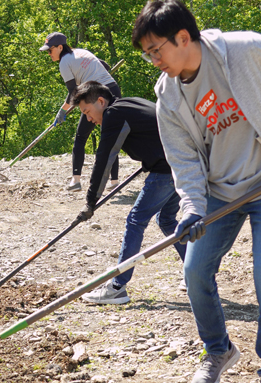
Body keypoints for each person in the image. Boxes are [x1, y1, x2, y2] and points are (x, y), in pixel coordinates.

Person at [132, 0, 261, 383]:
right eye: (147, 54)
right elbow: (184, 160)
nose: (154, 61)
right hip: (221, 193)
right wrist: (192, 207)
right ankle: (219, 350)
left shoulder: (242, 49)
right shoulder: (168, 98)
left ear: (183, 37)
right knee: (194, 272)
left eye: (156, 51)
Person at [68, 81, 187, 305]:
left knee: (135, 220)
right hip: (183, 163)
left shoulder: (114, 114)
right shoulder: (128, 104)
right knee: (167, 219)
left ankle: (117, 287)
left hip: (167, 169)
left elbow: (104, 158)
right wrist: (150, 156)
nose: (88, 119)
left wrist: (90, 201)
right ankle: (196, 272)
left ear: (100, 102)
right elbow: (153, 133)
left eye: (87, 111)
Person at [39, 32, 121, 191]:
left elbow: (73, 92)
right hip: (112, 89)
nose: (49, 54)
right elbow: (105, 66)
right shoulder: (82, 52)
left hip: (96, 96)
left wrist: (61, 111)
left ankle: (76, 181)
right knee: (110, 135)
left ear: (60, 47)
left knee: (81, 137)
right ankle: (114, 182)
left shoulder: (64, 62)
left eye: (50, 50)